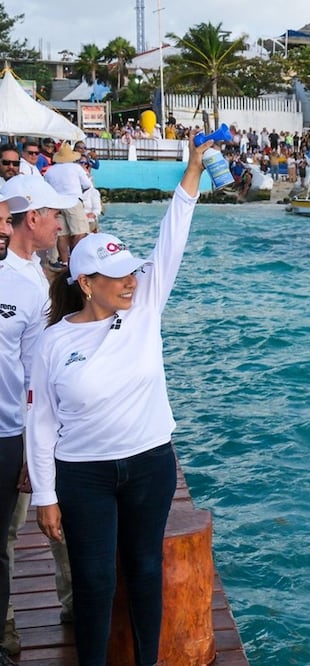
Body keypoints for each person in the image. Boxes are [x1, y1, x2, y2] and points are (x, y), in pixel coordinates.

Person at [26, 137, 208, 665]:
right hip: (83, 473)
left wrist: (192, 171)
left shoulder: (146, 304)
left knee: (146, 568)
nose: (132, 280)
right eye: (118, 275)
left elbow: (173, 236)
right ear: (86, 283)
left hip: (151, 462)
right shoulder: (55, 341)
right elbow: (41, 424)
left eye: (132, 270)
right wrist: (45, 496)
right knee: (95, 579)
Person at [0, 175, 74, 649]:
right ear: (33, 218)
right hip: (17, 430)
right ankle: (6, 625)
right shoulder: (23, 280)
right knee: (13, 529)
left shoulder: (44, 281)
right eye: (54, 216)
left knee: (51, 520)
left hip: (26, 427)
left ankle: (77, 603)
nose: (59, 225)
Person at [0, 186, 40, 665]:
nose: (5, 232)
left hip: (7, 436)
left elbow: (33, 379)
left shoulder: (27, 290)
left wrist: (32, 450)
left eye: (6, 223)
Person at [42, 143, 93, 270]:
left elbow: (46, 189)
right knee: (79, 232)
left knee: (61, 234)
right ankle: (75, 261)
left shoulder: (50, 171)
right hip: (73, 201)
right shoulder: (76, 168)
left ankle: (64, 263)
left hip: (57, 203)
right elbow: (87, 185)